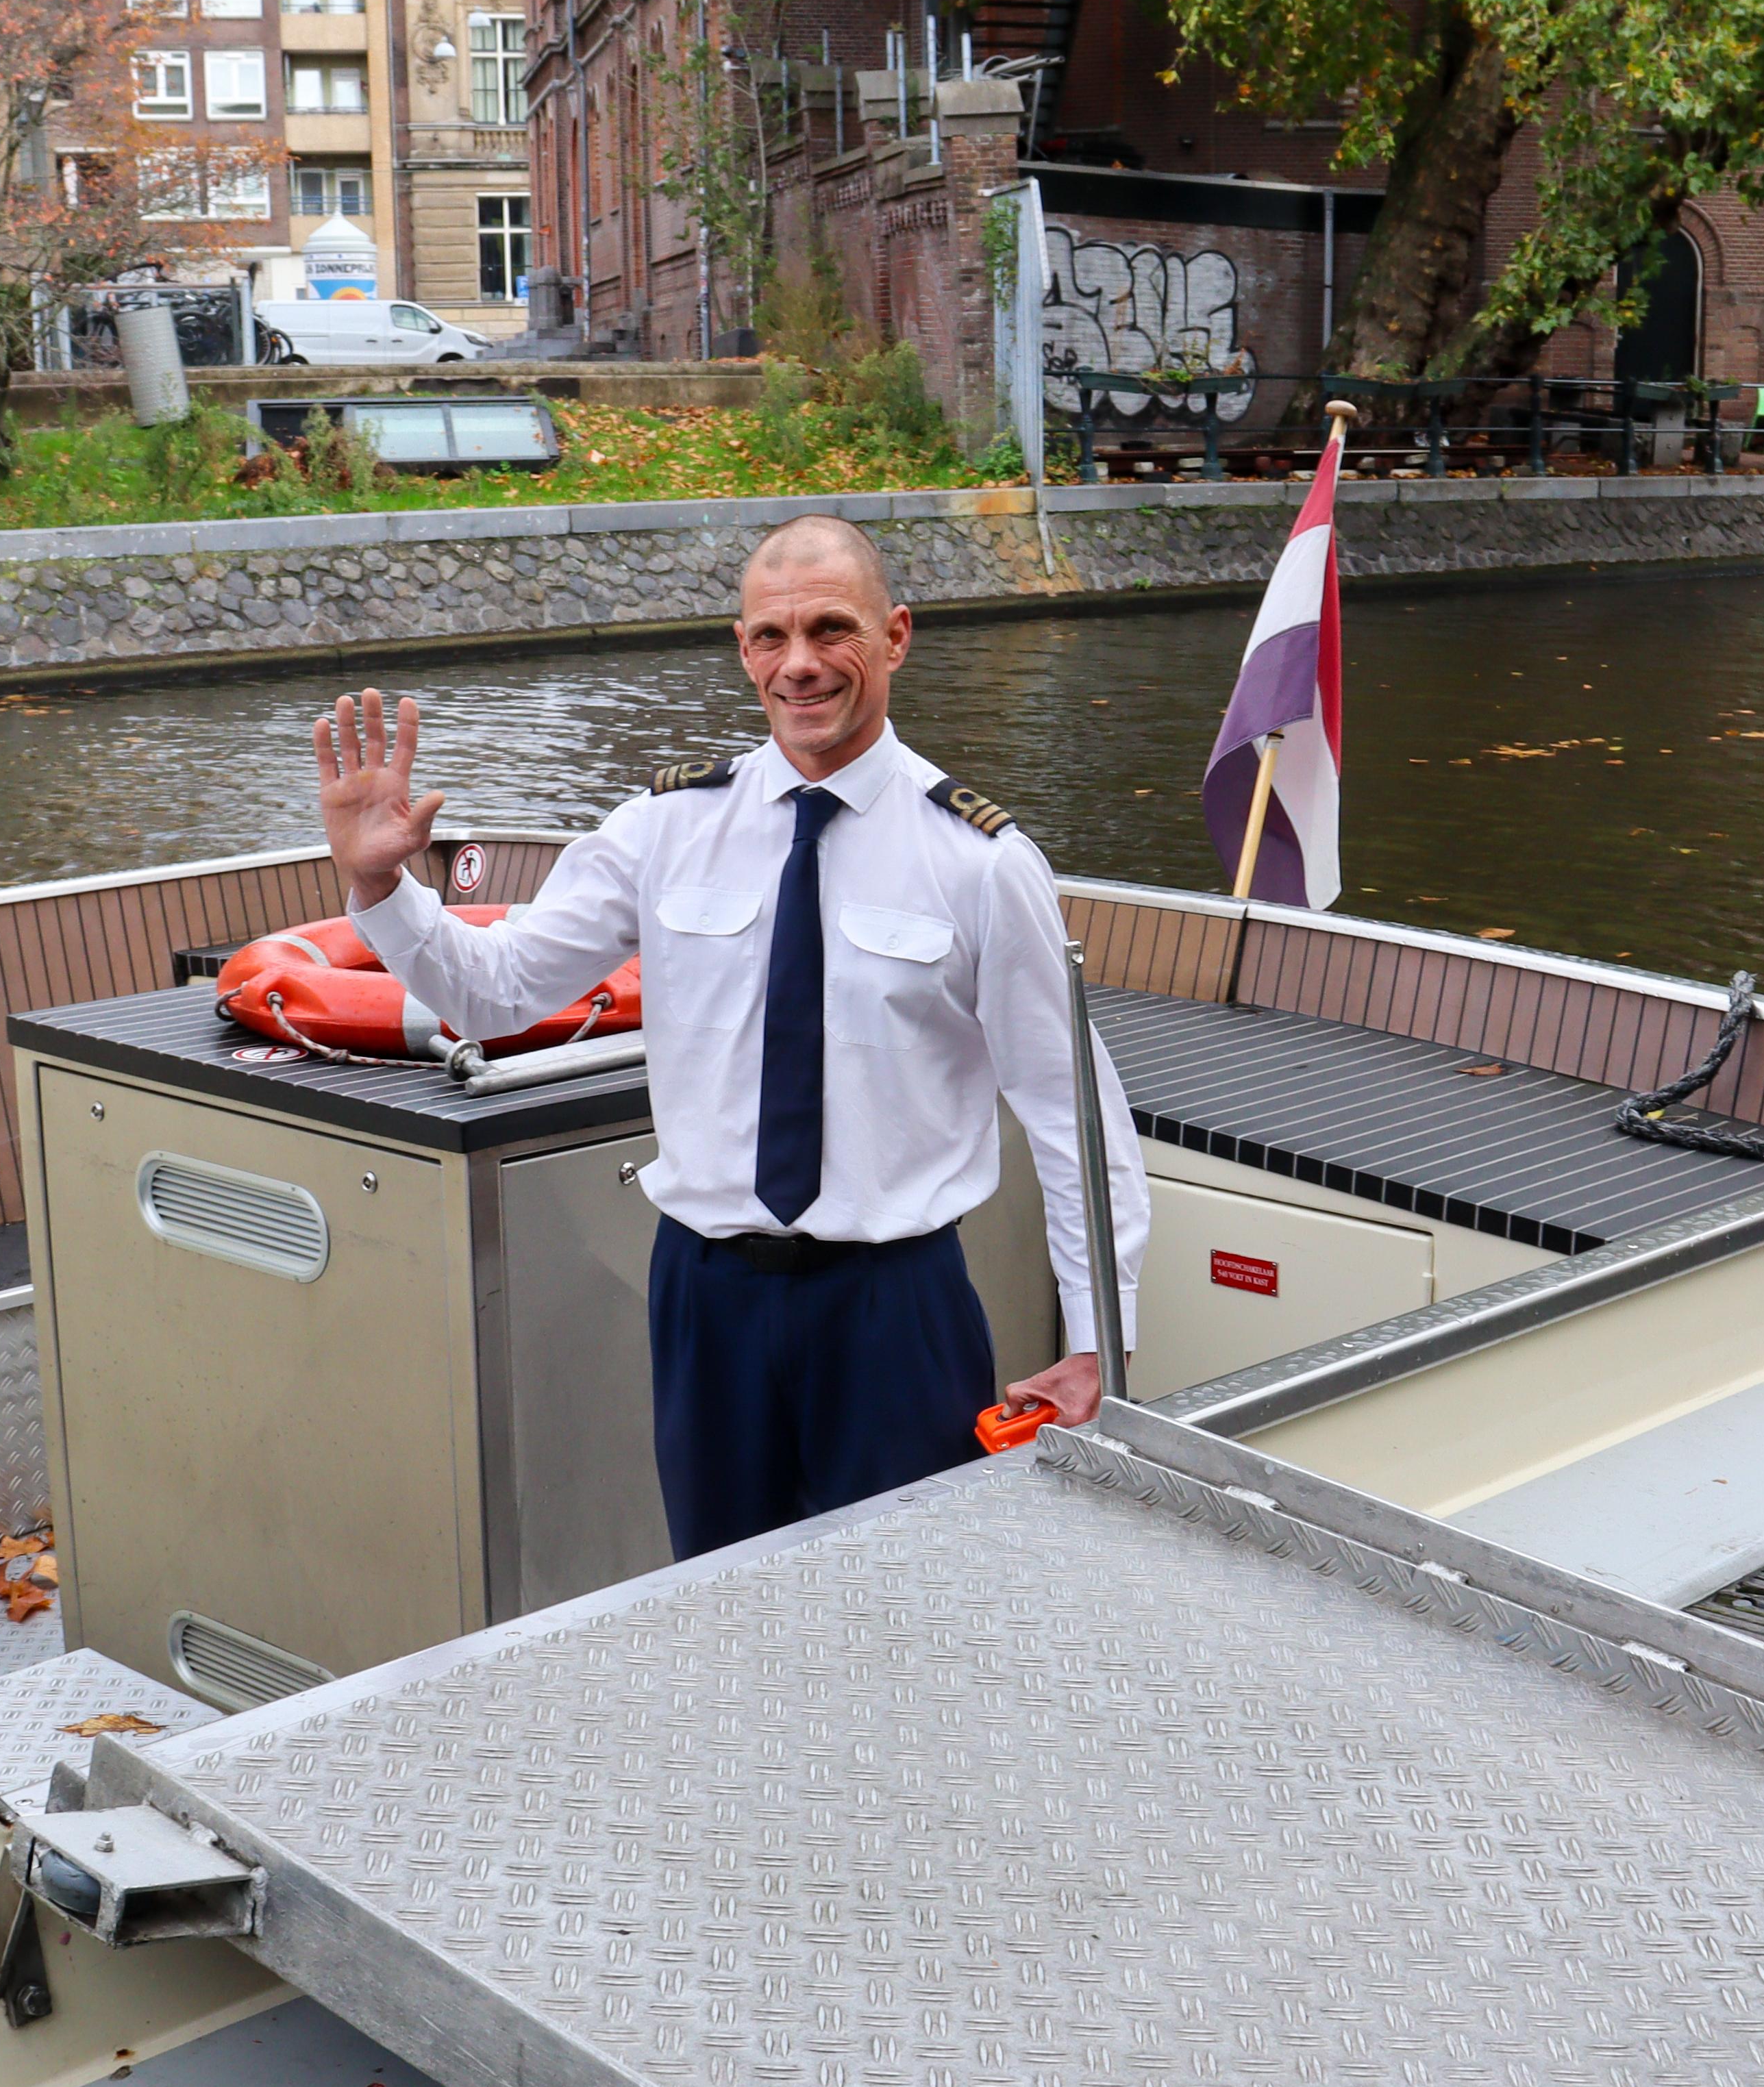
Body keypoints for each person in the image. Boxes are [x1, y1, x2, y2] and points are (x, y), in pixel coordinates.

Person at [314, 514, 1149, 1562]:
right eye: (770, 637)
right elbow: (496, 994)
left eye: (831, 630)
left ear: (895, 637)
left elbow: (1076, 1119)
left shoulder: (979, 861)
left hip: (895, 1306)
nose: (799, 666)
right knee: (716, 1597)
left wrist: (1096, 1344)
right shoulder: (666, 827)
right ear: (742, 647)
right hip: (708, 1299)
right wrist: (383, 885)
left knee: (915, 1606)